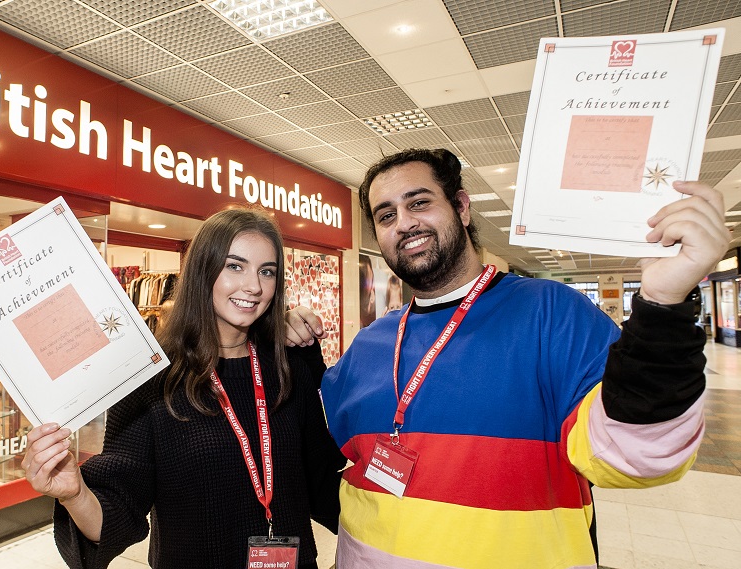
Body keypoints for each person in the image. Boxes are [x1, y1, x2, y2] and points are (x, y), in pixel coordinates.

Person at [286, 148, 728, 569]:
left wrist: (664, 306)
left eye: (418, 202)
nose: (403, 223)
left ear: (461, 206)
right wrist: (289, 347)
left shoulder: (552, 312)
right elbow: (316, 447)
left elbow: (638, 453)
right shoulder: (371, 342)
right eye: (386, 215)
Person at [22, 208, 346, 569]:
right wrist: (76, 494)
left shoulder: (289, 367)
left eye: (266, 271)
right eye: (234, 266)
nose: (254, 286)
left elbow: (321, 481)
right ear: (202, 271)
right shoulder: (154, 381)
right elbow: (121, 506)